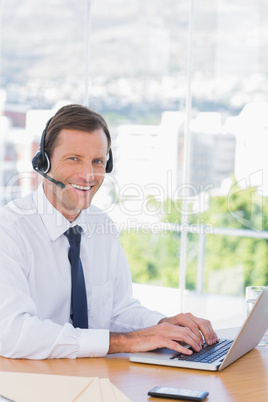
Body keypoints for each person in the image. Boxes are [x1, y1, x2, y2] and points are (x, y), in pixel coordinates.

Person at [0, 104, 218, 359]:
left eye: (97, 161)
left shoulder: (101, 226)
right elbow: (10, 333)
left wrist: (164, 326)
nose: (88, 175)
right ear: (43, 161)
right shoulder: (10, 231)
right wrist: (127, 341)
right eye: (74, 159)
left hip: (94, 377)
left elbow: (118, 311)